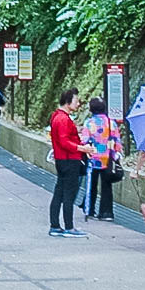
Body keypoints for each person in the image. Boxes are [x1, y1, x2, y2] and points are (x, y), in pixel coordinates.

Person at [48, 89, 96, 237]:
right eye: (76, 101)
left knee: (59, 192)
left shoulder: (57, 116)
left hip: (62, 159)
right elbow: (64, 141)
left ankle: (55, 225)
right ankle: (69, 227)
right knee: (69, 194)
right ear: (68, 102)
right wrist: (82, 148)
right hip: (69, 159)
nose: (78, 103)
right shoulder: (63, 119)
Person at [80, 98, 121, 220]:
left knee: (91, 184)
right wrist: (116, 154)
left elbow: (84, 140)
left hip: (93, 157)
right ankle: (107, 212)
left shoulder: (89, 123)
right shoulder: (111, 123)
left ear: (91, 109)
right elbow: (117, 142)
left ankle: (90, 210)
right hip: (108, 158)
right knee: (106, 185)